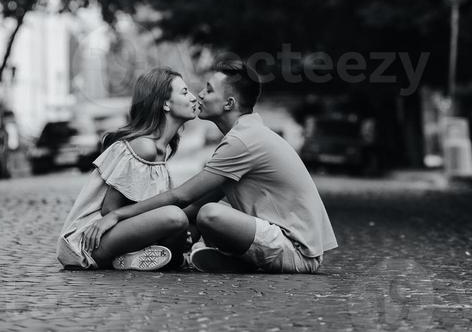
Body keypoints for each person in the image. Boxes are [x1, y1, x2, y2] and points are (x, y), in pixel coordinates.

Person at [80, 58, 338, 274]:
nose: (199, 94)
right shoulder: (246, 135)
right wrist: (169, 231)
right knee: (198, 216)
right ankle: (200, 258)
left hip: (298, 250)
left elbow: (182, 197)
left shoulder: (243, 141)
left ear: (229, 104)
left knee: (211, 215)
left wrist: (116, 216)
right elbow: (196, 204)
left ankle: (240, 262)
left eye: (209, 90)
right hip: (292, 244)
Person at [56, 67, 198, 271]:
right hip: (90, 241)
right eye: (184, 92)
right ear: (165, 103)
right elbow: (109, 210)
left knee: (190, 220)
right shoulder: (143, 147)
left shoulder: (160, 149)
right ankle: (127, 257)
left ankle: (136, 257)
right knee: (175, 217)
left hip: (116, 234)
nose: (193, 98)